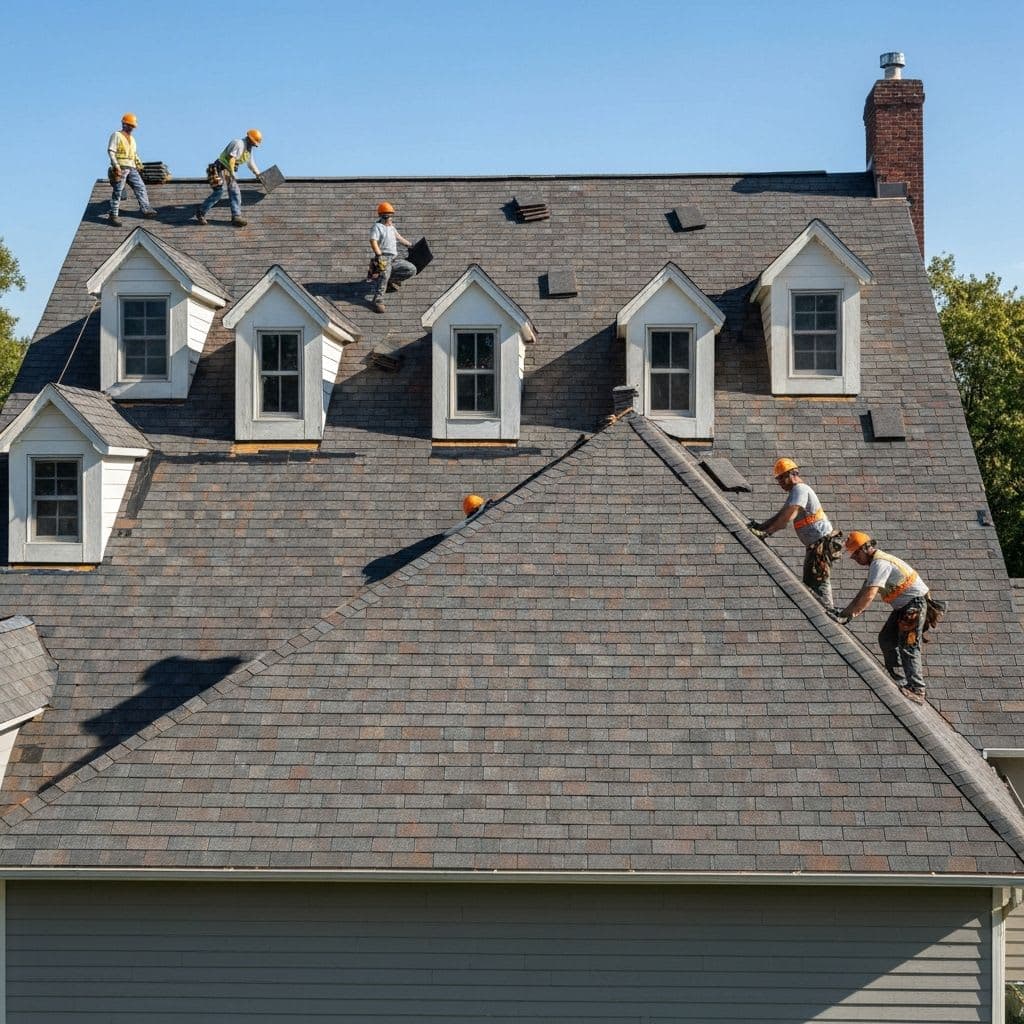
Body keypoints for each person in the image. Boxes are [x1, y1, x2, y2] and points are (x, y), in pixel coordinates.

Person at [830, 532, 931, 703]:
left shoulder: (880, 563)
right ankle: (899, 678)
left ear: (864, 549)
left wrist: (850, 616)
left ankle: (917, 689)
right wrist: (844, 613)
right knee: (886, 639)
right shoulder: (876, 564)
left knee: (909, 646)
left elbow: (869, 595)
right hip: (905, 607)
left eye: (855, 555)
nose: (855, 559)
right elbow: (863, 591)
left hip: (914, 607)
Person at [747, 458, 842, 608]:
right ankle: (824, 609)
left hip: (821, 544)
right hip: (816, 544)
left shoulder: (800, 489)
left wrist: (766, 533)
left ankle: (827, 611)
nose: (780, 483)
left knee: (817, 581)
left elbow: (788, 517)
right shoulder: (795, 492)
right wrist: (761, 526)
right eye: (778, 479)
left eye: (781, 478)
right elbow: (780, 515)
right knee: (811, 582)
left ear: (792, 474)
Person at [195, 130, 263, 227]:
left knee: (235, 192)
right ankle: (201, 212)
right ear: (249, 139)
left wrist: (258, 174)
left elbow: (251, 163)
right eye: (253, 143)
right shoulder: (238, 143)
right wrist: (232, 172)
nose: (253, 145)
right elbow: (232, 159)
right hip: (219, 168)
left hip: (228, 171)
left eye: (254, 144)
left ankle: (236, 217)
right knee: (219, 192)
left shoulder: (248, 150)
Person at [107, 113, 158, 227]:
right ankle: (113, 214)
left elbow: (134, 154)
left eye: (133, 126)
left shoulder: (132, 139)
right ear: (124, 124)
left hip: (131, 167)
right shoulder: (116, 135)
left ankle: (146, 208)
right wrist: (116, 166)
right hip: (121, 167)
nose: (132, 128)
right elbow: (111, 151)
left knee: (140, 186)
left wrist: (139, 165)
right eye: (130, 125)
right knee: (118, 190)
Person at [369, 202, 417, 313]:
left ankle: (390, 282)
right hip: (383, 258)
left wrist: (410, 245)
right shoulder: (377, 227)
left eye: (391, 216)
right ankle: (378, 301)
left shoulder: (391, 227)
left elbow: (399, 237)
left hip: (393, 259)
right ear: (383, 216)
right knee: (384, 276)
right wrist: (379, 255)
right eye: (389, 216)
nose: (391, 218)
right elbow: (373, 241)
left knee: (411, 269)